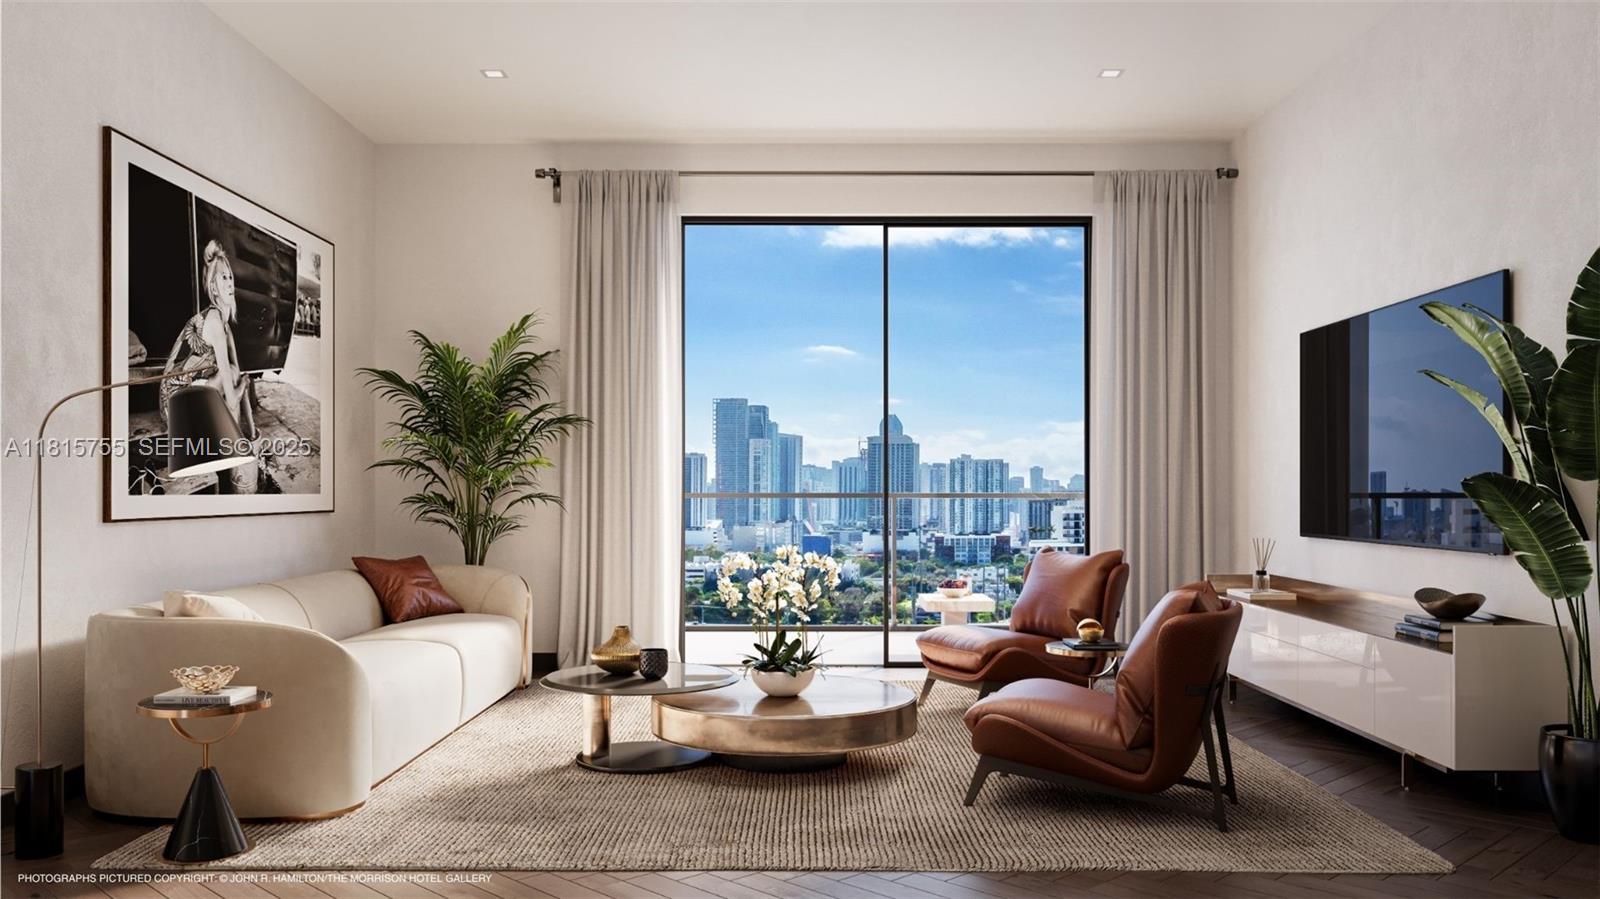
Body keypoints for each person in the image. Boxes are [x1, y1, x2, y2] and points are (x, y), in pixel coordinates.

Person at [161, 239, 258, 493]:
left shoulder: (226, 328)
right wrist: (240, 389)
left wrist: (253, 433)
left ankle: (235, 468)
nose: (230, 283)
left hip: (195, 392)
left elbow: (239, 383)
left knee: (236, 376)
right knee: (234, 380)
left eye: (230, 277)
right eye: (223, 278)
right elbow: (233, 390)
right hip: (174, 400)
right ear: (213, 288)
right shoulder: (214, 320)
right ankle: (235, 478)